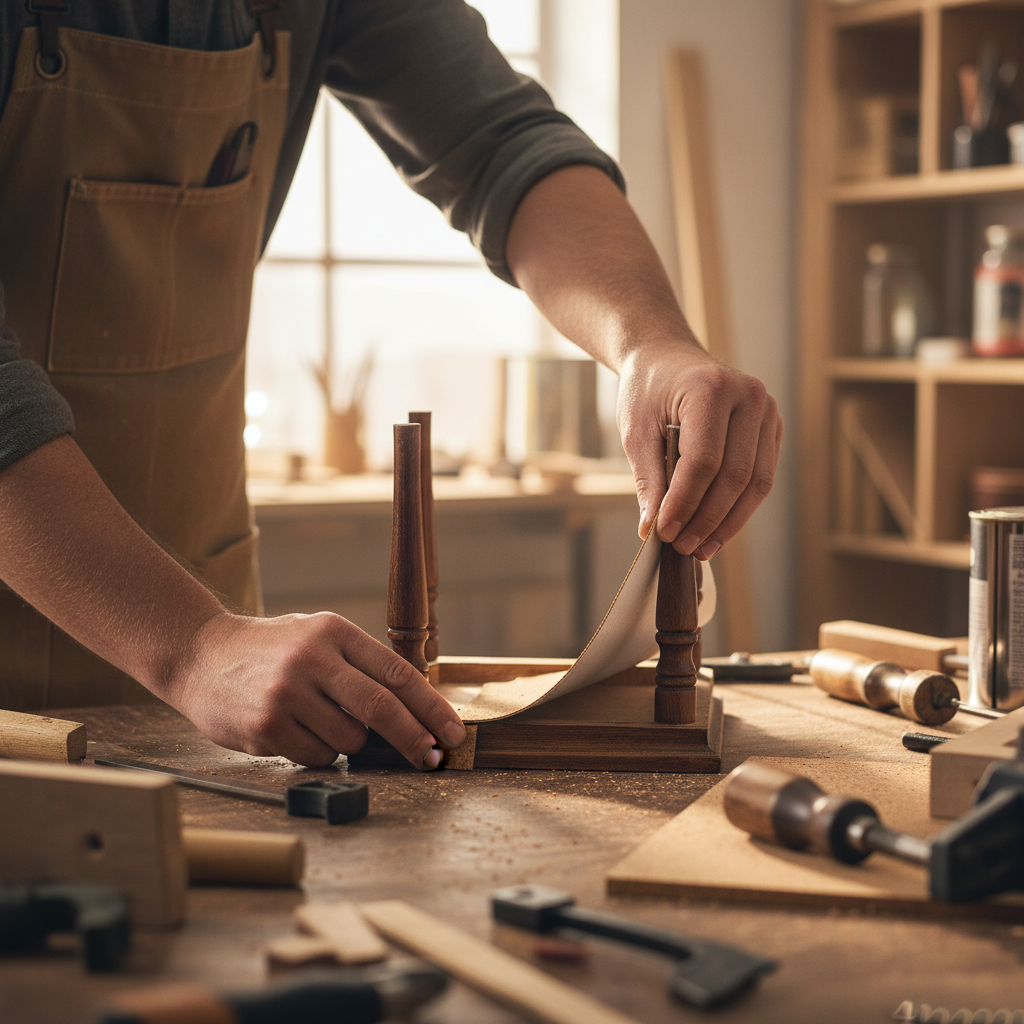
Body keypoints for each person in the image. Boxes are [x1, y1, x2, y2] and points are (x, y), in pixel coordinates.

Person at [0, 1, 781, 770]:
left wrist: (652, 340)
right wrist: (189, 643)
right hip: (127, 626)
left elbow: (501, 143)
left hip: (212, 652)